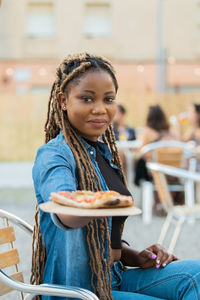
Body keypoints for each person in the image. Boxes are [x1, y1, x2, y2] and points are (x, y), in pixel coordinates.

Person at [31, 53, 200, 300]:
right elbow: (63, 209)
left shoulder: (104, 154)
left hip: (114, 277)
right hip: (79, 291)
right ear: (63, 101)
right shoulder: (55, 155)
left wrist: (136, 255)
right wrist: (84, 205)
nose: (100, 109)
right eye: (87, 98)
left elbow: (103, 237)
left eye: (108, 99)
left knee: (196, 275)